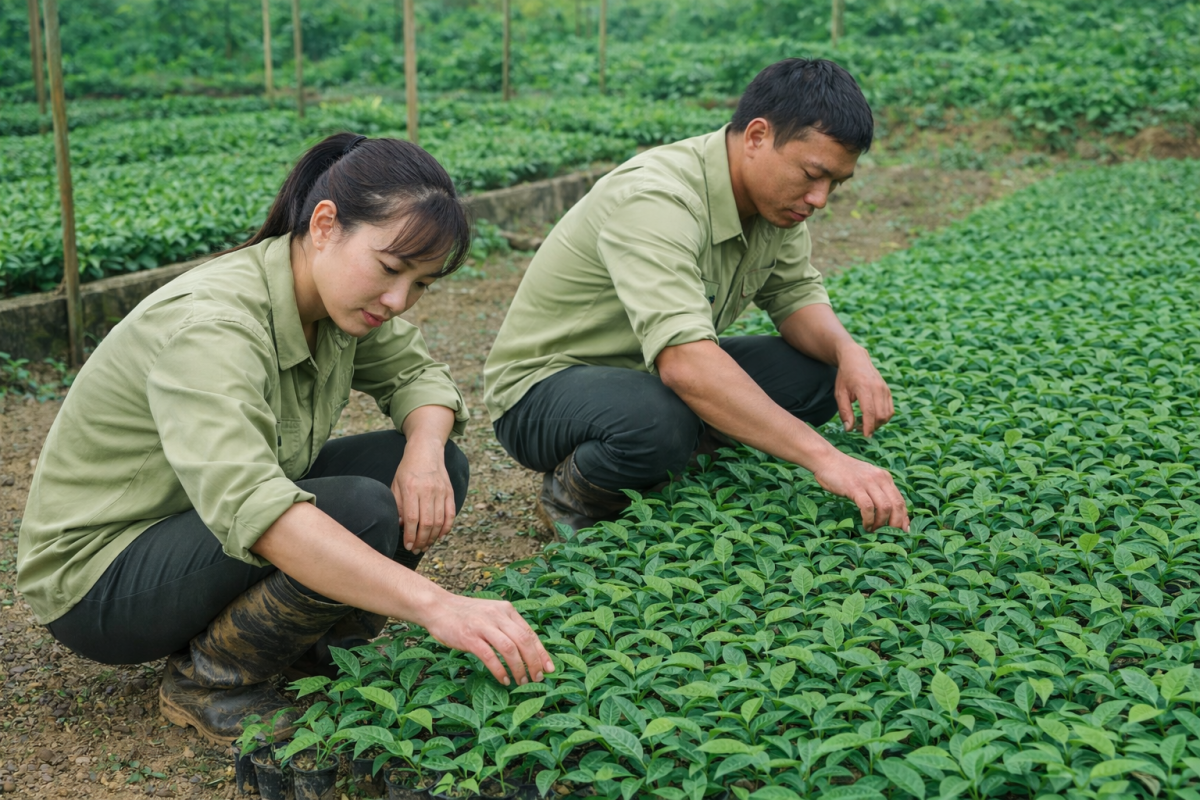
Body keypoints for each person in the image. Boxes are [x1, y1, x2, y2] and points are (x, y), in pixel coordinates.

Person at [17, 133, 553, 746]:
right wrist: (438, 606)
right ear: (325, 224)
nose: (399, 300)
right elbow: (259, 508)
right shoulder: (214, 325)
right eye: (391, 268)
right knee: (358, 508)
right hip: (102, 578)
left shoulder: (340, 301)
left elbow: (417, 377)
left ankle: (305, 652)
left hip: (196, 525)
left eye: (422, 284)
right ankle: (210, 680)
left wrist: (426, 454)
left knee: (423, 466)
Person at [484, 59, 910, 535]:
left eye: (835, 183)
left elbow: (793, 295)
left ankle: (669, 458)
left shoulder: (776, 203)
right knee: (655, 419)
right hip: (545, 388)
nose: (820, 199)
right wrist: (826, 459)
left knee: (819, 371)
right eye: (812, 174)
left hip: (647, 373)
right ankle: (575, 494)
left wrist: (849, 351)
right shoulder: (657, 197)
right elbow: (685, 364)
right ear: (756, 137)